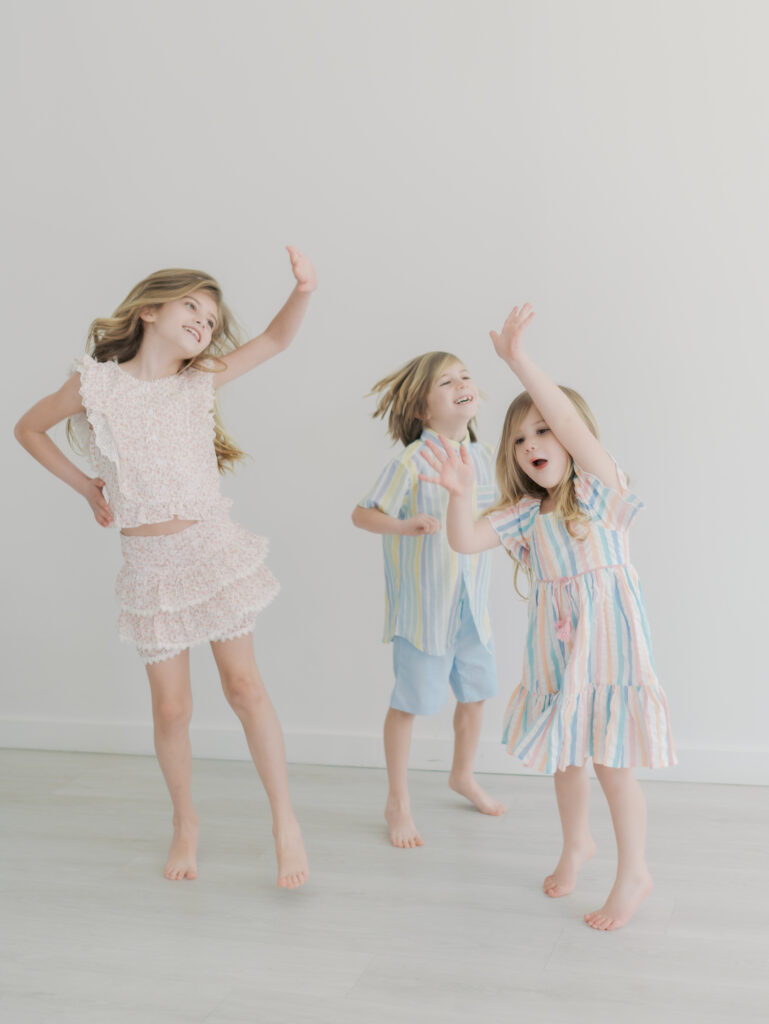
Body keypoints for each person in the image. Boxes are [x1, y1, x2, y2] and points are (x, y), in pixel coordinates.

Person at [14, 248, 317, 889]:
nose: (205, 326)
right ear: (150, 311)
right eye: (193, 310)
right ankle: (186, 821)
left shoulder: (197, 380)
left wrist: (303, 290)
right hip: (149, 563)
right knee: (171, 708)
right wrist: (87, 487)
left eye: (211, 321)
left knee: (244, 687)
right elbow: (28, 428)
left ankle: (285, 821)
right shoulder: (95, 385)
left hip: (210, 547)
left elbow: (276, 339)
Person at [419, 304, 676, 929]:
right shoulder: (526, 515)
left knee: (613, 763)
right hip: (559, 653)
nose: (533, 443)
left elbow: (565, 417)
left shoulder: (598, 492)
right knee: (567, 759)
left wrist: (517, 362)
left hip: (609, 648)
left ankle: (633, 871)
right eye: (519, 438)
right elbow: (464, 542)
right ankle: (576, 845)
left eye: (543, 431)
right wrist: (458, 495)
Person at [352, 352, 505, 850]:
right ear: (422, 407)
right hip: (424, 611)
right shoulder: (410, 461)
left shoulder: (483, 459)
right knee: (410, 703)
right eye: (447, 380)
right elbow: (362, 514)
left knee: (477, 694)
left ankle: (462, 775)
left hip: (472, 608)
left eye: (465, 376)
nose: (462, 383)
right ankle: (397, 800)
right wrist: (402, 525)